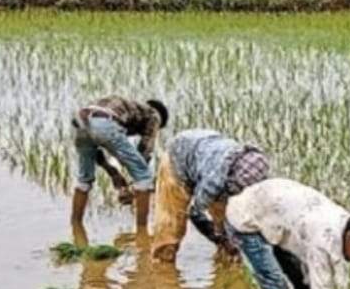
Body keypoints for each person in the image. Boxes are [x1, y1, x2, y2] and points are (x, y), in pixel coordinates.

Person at [151, 129, 270, 264]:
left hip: (206, 149)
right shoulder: (214, 182)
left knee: (226, 222)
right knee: (171, 224)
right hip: (178, 158)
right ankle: (163, 263)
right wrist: (218, 239)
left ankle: (226, 258)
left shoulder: (257, 169)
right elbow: (195, 213)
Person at [70, 95, 168, 231]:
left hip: (81, 123)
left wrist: (113, 173)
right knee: (144, 177)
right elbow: (145, 149)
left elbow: (96, 151)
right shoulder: (154, 114)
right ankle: (142, 232)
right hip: (106, 122)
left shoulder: (124, 106)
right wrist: (134, 188)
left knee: (84, 180)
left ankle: (76, 226)